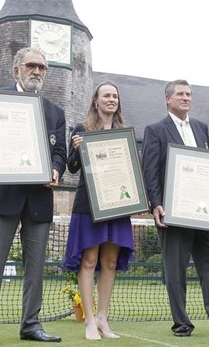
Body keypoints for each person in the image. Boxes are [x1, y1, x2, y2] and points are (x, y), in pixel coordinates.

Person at [0, 47, 66, 345]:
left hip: (39, 199)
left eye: (42, 67)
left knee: (35, 268)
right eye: (31, 65)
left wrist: (55, 170)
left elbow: (59, 152)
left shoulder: (55, 111)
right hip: (2, 196)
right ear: (16, 70)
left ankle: (31, 325)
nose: (37, 71)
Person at [141, 79, 209, 338]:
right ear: (168, 99)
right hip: (173, 212)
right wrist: (155, 204)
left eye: (188, 94)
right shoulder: (155, 130)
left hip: (205, 211)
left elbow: (206, 165)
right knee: (175, 269)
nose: (185, 97)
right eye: (180, 94)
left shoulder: (200, 128)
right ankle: (182, 323)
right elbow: (150, 171)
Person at [62, 82, 135, 341]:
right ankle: (89, 321)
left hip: (117, 203)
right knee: (89, 260)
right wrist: (76, 148)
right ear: (96, 100)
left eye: (115, 96)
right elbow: (71, 168)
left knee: (110, 262)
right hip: (89, 204)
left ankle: (104, 318)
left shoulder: (124, 133)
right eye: (107, 95)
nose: (111, 99)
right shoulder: (82, 129)